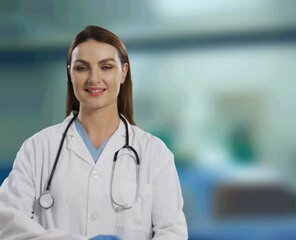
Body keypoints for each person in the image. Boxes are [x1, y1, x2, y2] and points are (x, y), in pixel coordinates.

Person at [0, 25, 188, 240]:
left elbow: (172, 232)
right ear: (70, 72)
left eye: (106, 67)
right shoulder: (38, 148)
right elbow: (7, 224)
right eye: (82, 68)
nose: (93, 78)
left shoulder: (154, 152)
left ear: (123, 72)